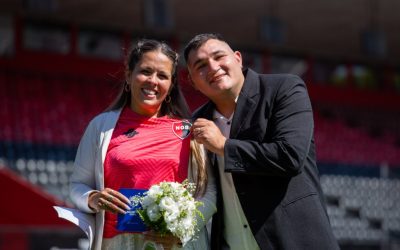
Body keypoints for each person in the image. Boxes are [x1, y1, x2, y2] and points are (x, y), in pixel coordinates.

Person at [183, 33, 340, 250]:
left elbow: (290, 157)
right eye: (200, 65)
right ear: (192, 81)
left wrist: (224, 146)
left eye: (219, 56)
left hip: (294, 242)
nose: (212, 67)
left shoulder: (284, 89)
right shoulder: (195, 123)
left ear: (237, 58)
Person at [63, 39, 216, 250]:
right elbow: (77, 186)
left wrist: (182, 232)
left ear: (171, 84)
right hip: (115, 244)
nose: (153, 81)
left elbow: (209, 193)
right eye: (145, 71)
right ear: (128, 75)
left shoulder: (189, 131)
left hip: (173, 245)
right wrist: (92, 198)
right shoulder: (101, 126)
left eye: (162, 76)